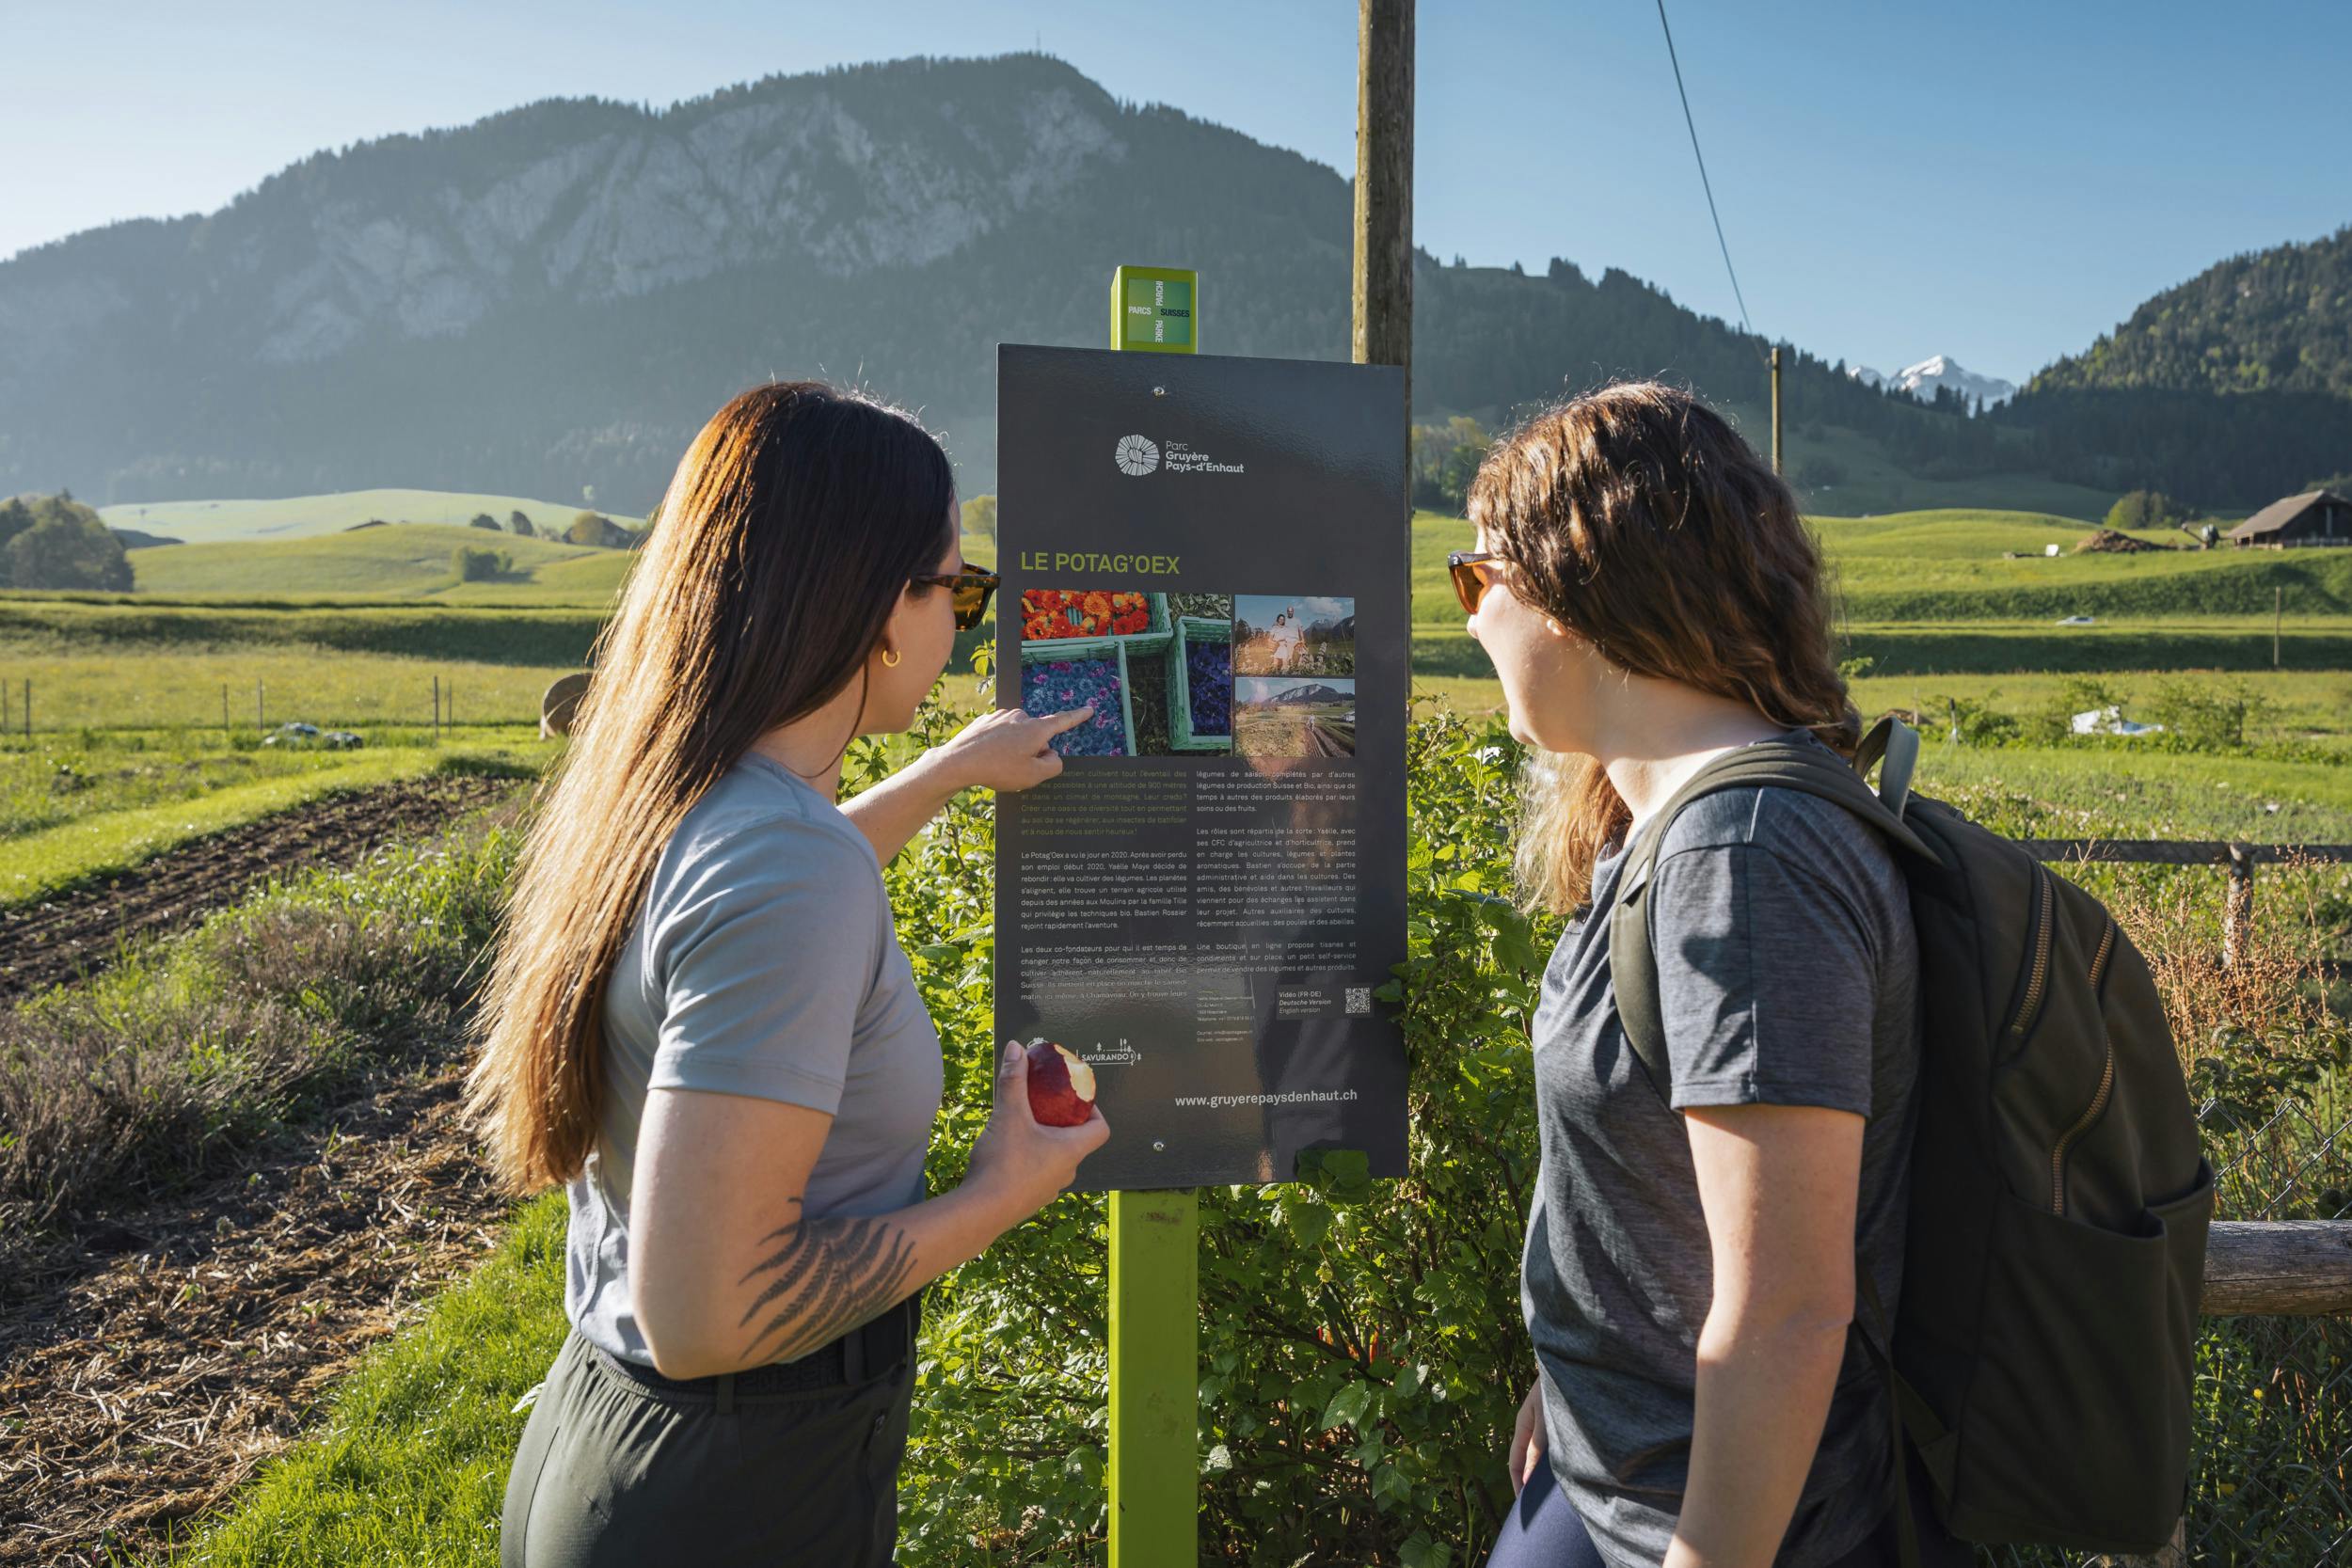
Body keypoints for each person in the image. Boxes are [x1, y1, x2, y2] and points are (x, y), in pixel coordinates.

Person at [469, 381, 1108, 1567]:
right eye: (958, 589)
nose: (966, 625)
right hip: (736, 1489)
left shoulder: (682, 793)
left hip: (614, 1440)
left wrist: (946, 772)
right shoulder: (784, 861)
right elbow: (716, 1313)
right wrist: (997, 1196)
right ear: (875, 601)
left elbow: (749, 911)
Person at [1455, 383, 1963, 1568]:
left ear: (1577, 589)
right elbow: (1656, 1198)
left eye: (1479, 580)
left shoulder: (1744, 857)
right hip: (1608, 1480)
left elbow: (1787, 1310)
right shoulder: (1659, 825)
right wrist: (1574, 1383)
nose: (1472, 621)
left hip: (1719, 1525)